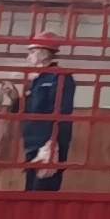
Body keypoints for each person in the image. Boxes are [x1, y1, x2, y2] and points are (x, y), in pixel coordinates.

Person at [15, 40, 76, 194]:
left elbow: (61, 110)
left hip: (49, 140)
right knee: (31, 187)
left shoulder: (59, 76)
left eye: (32, 52)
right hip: (33, 141)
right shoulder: (36, 79)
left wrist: (53, 140)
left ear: (44, 53)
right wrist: (15, 98)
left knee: (43, 188)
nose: (28, 57)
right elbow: (28, 110)